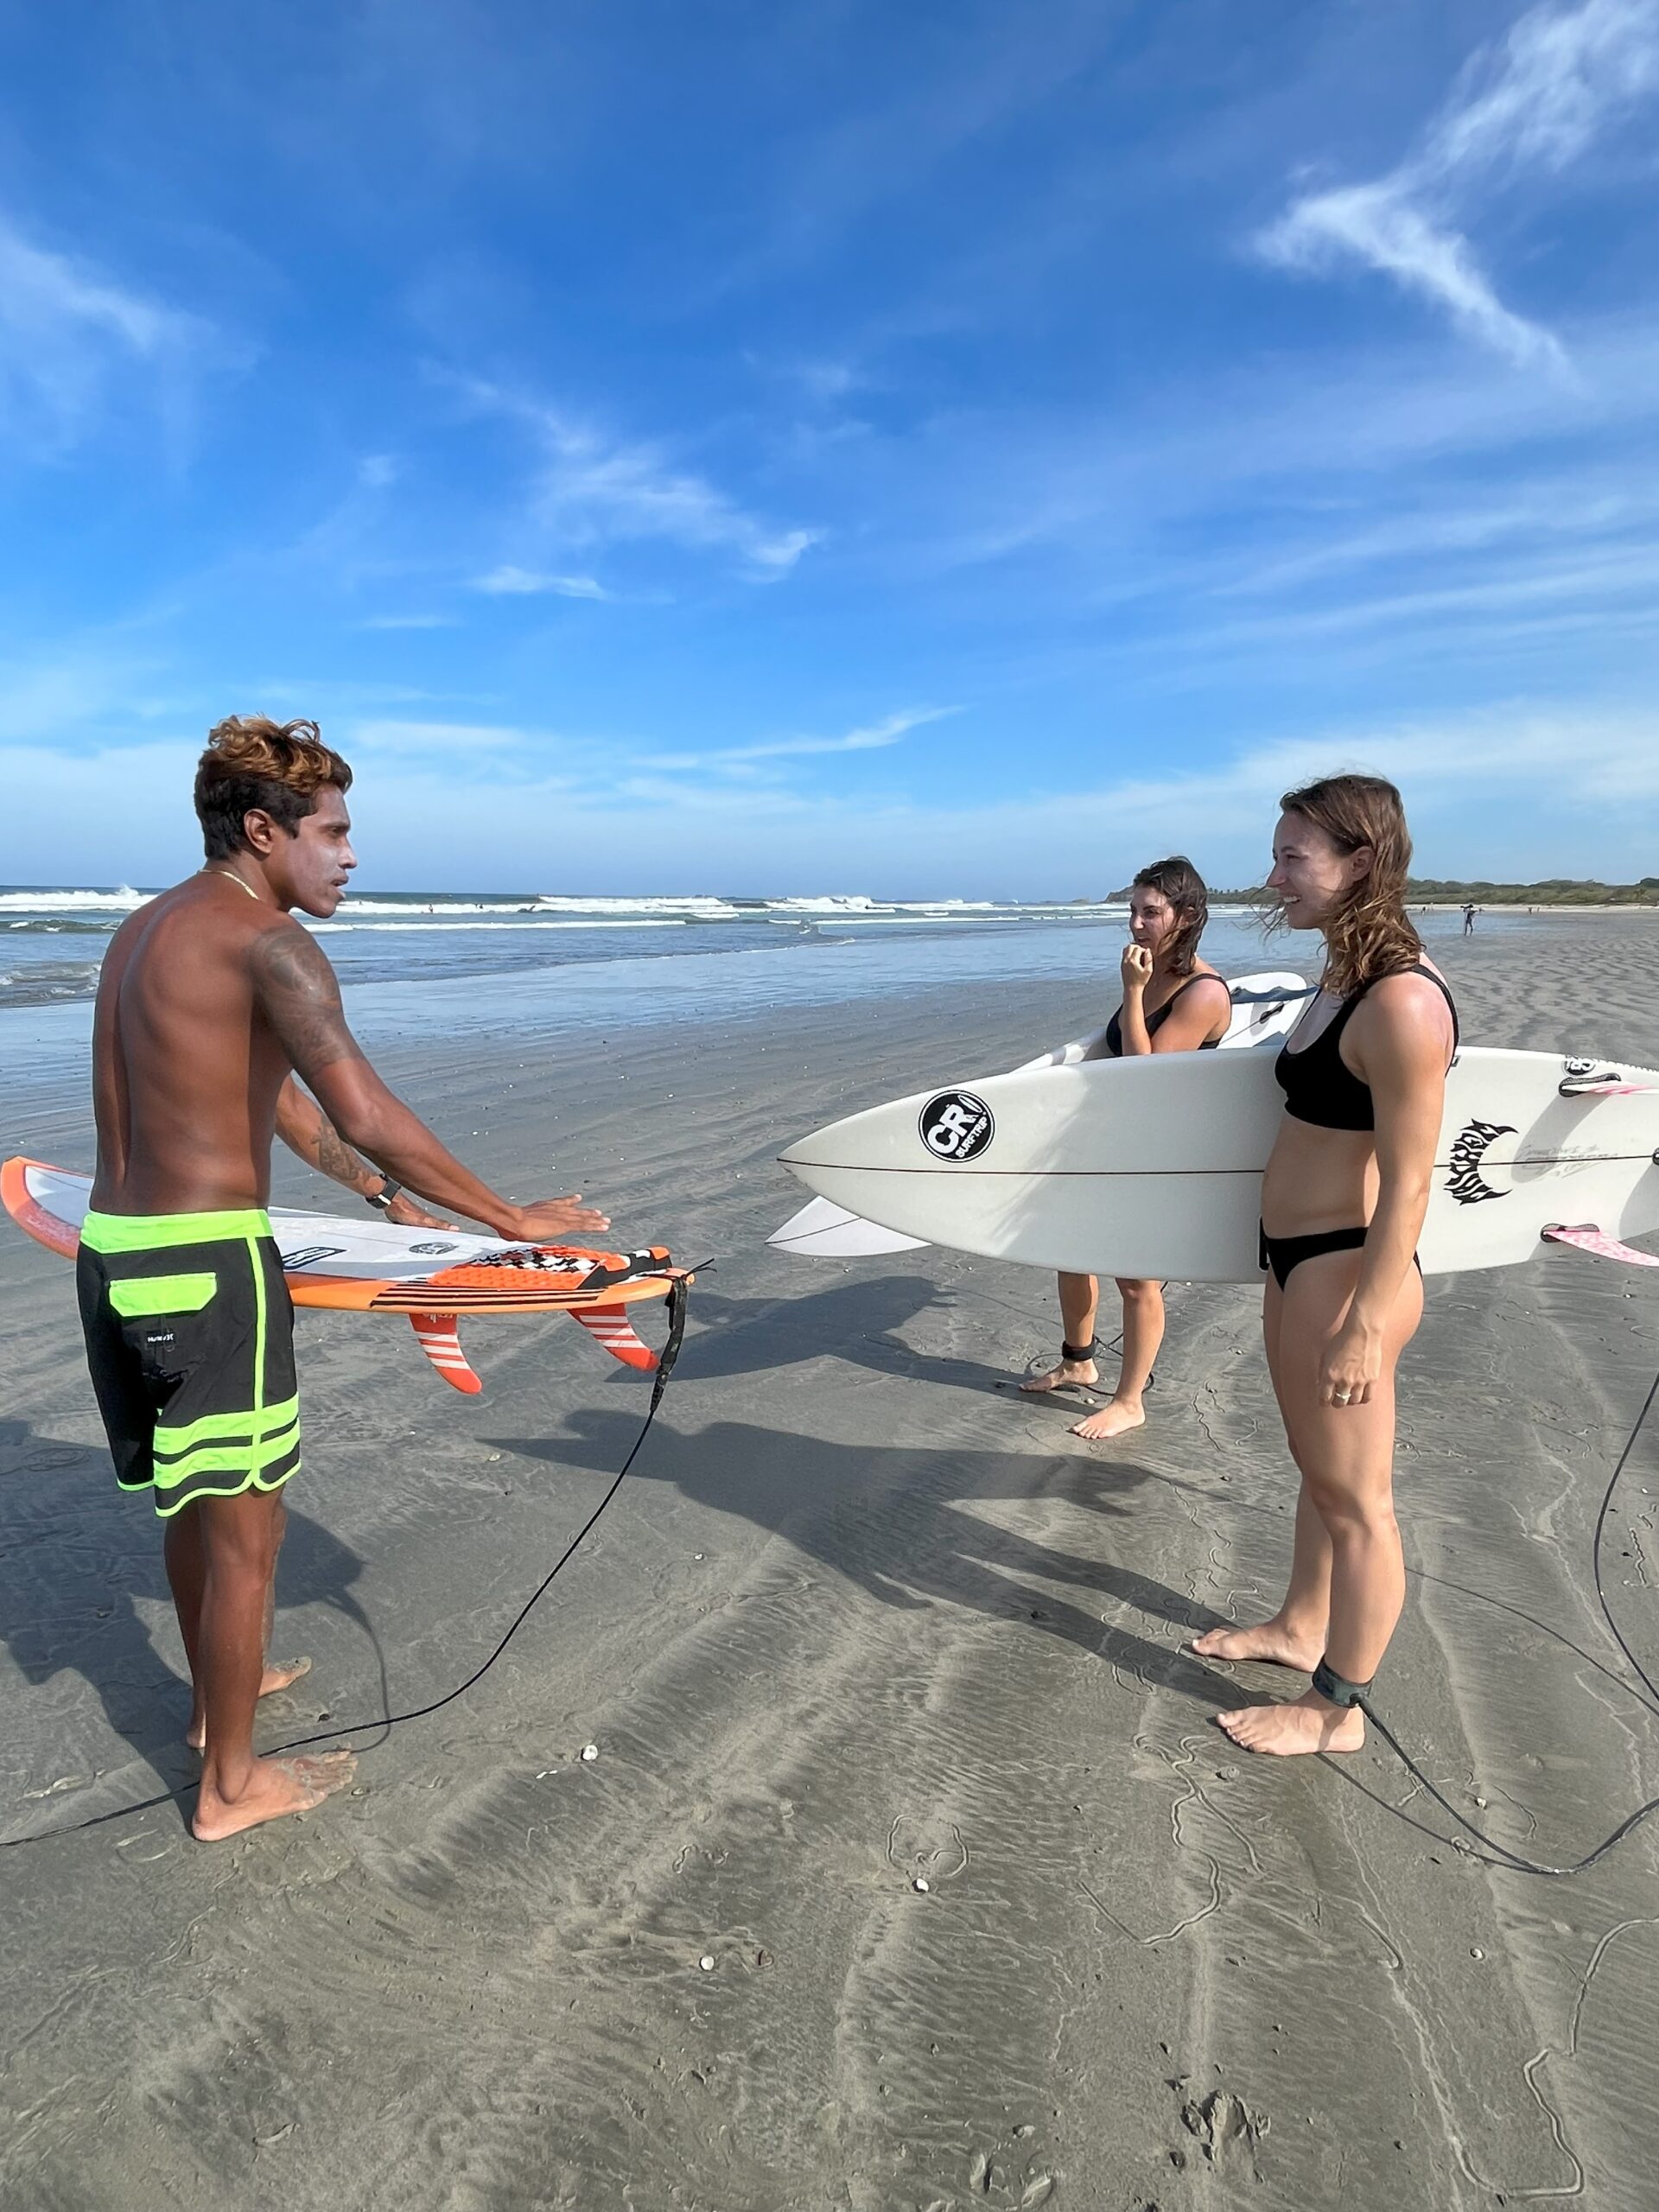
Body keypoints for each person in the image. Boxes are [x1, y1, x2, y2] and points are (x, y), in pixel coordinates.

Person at [79, 716, 611, 1840]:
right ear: (264, 832)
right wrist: (511, 1218)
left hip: (113, 1251)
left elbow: (271, 1097)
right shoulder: (274, 943)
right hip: (208, 1266)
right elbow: (364, 1104)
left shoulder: (149, 932)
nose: (352, 856)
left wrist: (378, 1197)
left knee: (195, 1497)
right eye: (335, 832)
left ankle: (211, 1708)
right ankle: (231, 1786)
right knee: (250, 1531)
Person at [1192, 774, 1456, 1755]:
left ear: (1362, 863)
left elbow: (1413, 1184)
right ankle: (1302, 1624)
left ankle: (1335, 1710)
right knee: (1316, 1469)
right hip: (1296, 1261)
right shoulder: (1342, 975)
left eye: (1291, 857)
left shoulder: (1401, 1004)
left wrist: (1362, 1324)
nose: (1272, 878)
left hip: (1350, 1276)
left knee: (1360, 1504)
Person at [1020, 858, 1231, 1440]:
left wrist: (1133, 993)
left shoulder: (1203, 993)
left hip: (1160, 1151)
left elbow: (1145, 1074)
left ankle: (1130, 1400)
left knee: (1137, 1281)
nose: (1137, 924)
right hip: (1114, 1137)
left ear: (1187, 918)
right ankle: (1078, 1360)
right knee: (1071, 1249)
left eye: (1151, 913)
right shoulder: (1151, 970)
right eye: (1133, 911)